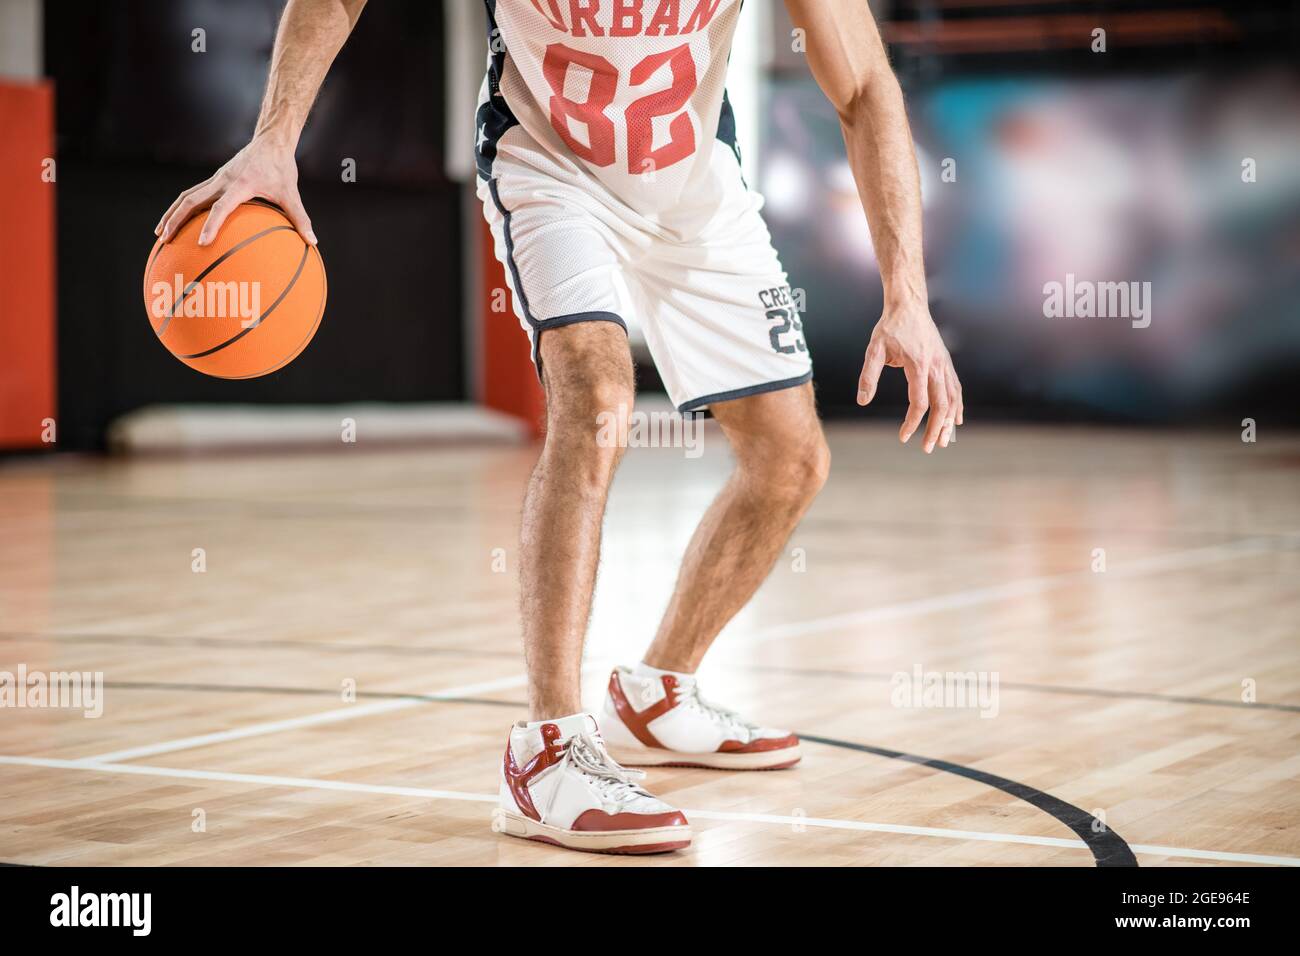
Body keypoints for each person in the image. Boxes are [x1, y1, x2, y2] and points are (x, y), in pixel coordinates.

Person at [156, 0, 964, 855]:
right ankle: (546, 749)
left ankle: (656, 694)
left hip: (692, 182)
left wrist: (906, 293)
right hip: (546, 165)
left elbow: (868, 84)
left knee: (792, 460)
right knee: (599, 397)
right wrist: (275, 138)